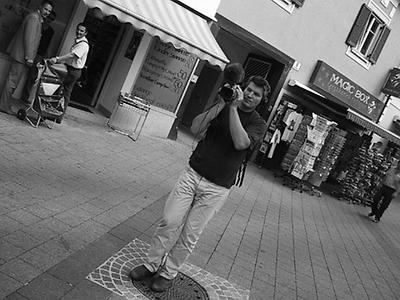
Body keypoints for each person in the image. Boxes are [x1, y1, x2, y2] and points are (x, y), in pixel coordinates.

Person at [129, 71, 270, 292]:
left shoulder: (258, 124)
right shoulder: (224, 107)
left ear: (262, 100)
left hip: (217, 187)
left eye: (256, 94)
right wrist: (222, 103)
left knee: (189, 235)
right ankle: (151, 264)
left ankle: (167, 273)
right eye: (249, 90)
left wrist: (233, 109)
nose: (250, 95)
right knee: (169, 220)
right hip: (193, 173)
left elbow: (242, 143)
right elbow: (196, 127)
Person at [0, 0, 54, 115]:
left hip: (21, 56)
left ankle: (4, 104)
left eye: (49, 11)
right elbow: (29, 39)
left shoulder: (37, 18)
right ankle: (3, 106)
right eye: (46, 9)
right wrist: (29, 57)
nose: (47, 12)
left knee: (12, 81)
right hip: (21, 56)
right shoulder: (34, 18)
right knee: (12, 81)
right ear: (40, 7)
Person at [48, 22, 89, 123]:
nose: (79, 32)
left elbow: (72, 55)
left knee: (55, 87)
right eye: (78, 29)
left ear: (86, 33)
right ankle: (57, 117)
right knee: (66, 93)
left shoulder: (83, 44)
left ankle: (50, 112)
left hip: (73, 71)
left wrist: (57, 59)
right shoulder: (79, 41)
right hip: (72, 70)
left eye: (82, 31)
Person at [368, 157, 400, 223]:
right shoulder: (392, 169)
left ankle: (377, 217)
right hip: (384, 186)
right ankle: (374, 212)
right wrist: (380, 183)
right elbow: (385, 176)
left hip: (392, 190)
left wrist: (396, 192)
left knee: (384, 205)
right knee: (375, 198)